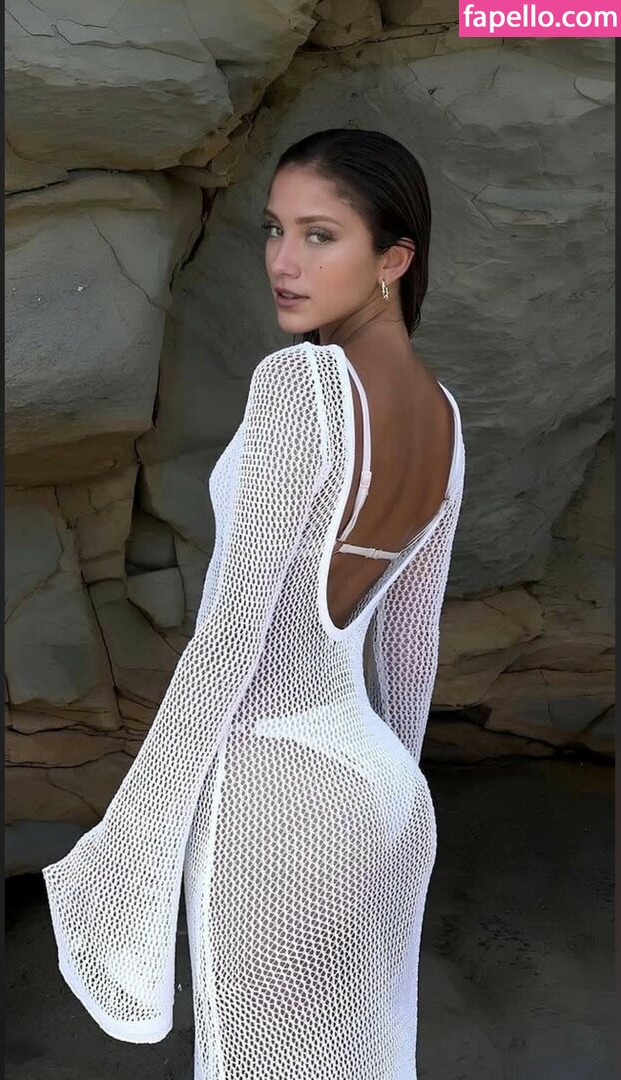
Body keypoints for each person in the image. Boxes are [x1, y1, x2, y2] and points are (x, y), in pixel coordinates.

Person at [42, 128, 466, 1079]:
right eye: (275, 230)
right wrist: (386, 810)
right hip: (384, 793)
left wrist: (130, 849)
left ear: (394, 260)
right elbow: (409, 649)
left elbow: (229, 644)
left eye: (320, 236)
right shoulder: (444, 418)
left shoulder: (300, 386)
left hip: (274, 790)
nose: (283, 261)